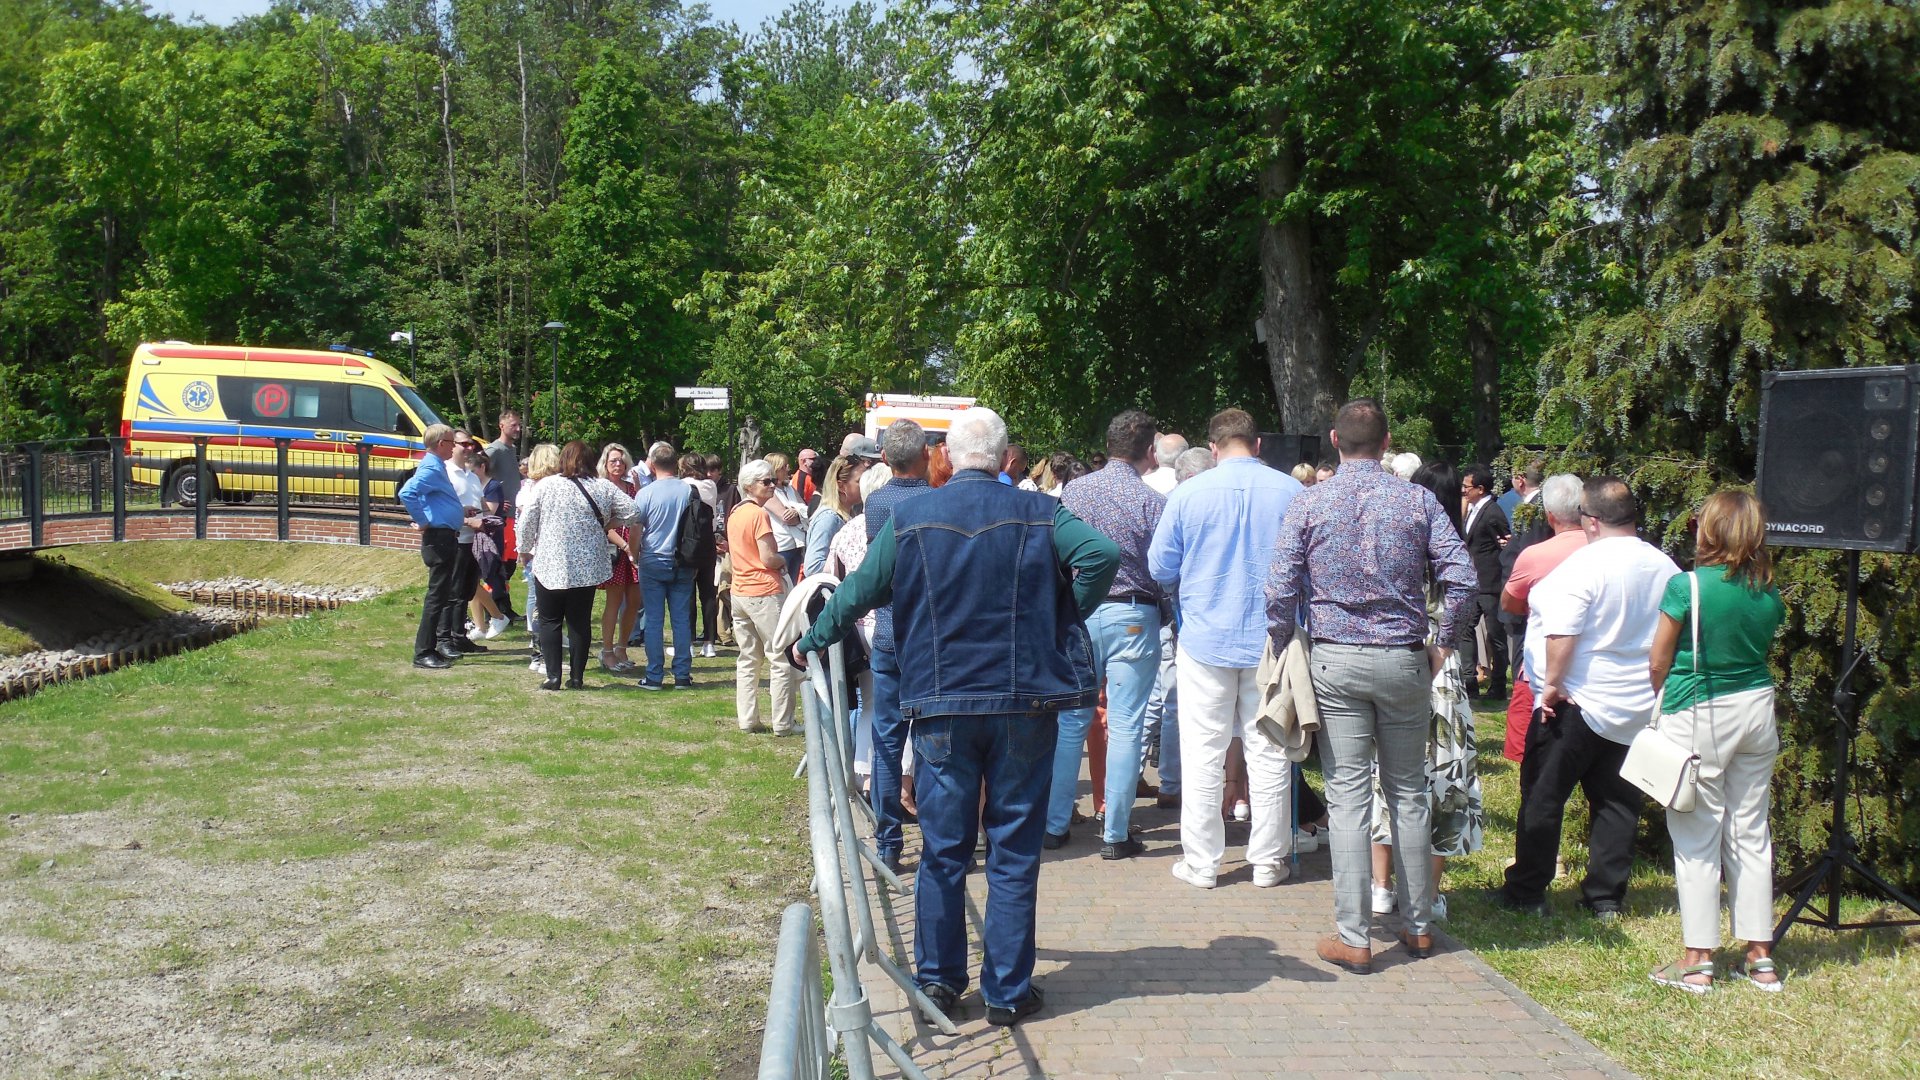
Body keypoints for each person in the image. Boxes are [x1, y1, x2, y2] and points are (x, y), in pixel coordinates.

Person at [792, 406, 1119, 1028]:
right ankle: (1007, 991)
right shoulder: (1042, 512)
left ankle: (938, 983)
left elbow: (858, 589)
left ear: (946, 455)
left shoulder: (913, 515)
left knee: (943, 850)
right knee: (1014, 849)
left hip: (941, 702)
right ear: (1004, 457)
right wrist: (1059, 614)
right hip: (1023, 702)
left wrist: (812, 638)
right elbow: (1101, 555)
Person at [1265, 399, 1474, 974]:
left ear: (1335, 440)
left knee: (1348, 796)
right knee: (1408, 792)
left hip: (1336, 661)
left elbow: (1279, 586)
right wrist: (1444, 644)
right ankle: (1419, 926)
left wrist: (1282, 641)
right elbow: (1461, 577)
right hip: (1404, 660)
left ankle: (1354, 935)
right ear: (1386, 442)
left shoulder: (1311, 502)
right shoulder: (1417, 501)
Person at [1498, 476, 1680, 921]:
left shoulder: (1583, 566)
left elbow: (1561, 632)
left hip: (1576, 700)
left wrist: (1551, 685)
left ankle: (1528, 891)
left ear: (1592, 521)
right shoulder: (1665, 567)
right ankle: (1605, 896)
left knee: (1544, 796)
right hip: (1636, 703)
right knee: (1618, 803)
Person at [1149, 408, 1304, 889]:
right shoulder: (1291, 492)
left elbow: (1160, 567)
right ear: (1257, 445)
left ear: (1213, 448)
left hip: (1204, 639)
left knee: (1202, 753)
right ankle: (1268, 861)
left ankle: (1202, 863)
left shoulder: (1188, 494)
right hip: (1271, 643)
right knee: (1270, 751)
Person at [1647, 490, 1786, 992]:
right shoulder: (1767, 591)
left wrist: (1662, 697)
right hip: (1757, 709)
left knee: (1696, 835)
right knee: (1751, 831)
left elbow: (1658, 661)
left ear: (1708, 529)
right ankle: (1760, 957)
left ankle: (1697, 961)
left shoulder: (1686, 586)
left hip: (1699, 711)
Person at [1367, 462, 1486, 921]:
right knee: (1444, 779)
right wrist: (1447, 642)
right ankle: (1429, 894)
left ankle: (1381, 886)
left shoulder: (1400, 547)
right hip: (1443, 671)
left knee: (1385, 774)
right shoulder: (1452, 552)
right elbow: (1465, 595)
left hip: (1399, 658)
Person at [1046, 410, 1167, 860]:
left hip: (1082, 611)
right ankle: (1115, 831)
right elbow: (1164, 568)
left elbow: (1057, 553)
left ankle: (1055, 823)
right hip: (1134, 613)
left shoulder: (1075, 492)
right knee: (1126, 723)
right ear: (1149, 452)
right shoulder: (1152, 502)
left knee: (1071, 720)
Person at [862, 421, 935, 872]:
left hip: (889, 632)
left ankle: (888, 841)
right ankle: (936, 838)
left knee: (887, 742)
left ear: (886, 458)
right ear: (926, 453)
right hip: (929, 638)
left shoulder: (876, 503)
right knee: (931, 741)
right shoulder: (936, 501)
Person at [518, 440, 643, 690]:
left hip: (550, 562)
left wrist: (524, 548)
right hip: (586, 567)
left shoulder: (547, 485)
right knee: (579, 621)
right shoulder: (602, 486)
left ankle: (553, 676)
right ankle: (577, 677)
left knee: (550, 620)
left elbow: (528, 520)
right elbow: (634, 511)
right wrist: (608, 523)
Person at [1498, 474, 1588, 762]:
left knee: (1532, 757)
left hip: (1544, 661)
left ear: (1549, 515)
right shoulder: (1604, 551)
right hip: (1598, 666)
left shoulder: (1535, 555)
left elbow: (1509, 602)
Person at [398, 424, 482, 669]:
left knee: (442, 595)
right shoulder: (432, 467)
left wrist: (458, 510)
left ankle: (431, 648)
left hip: (445, 537)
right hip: (439, 539)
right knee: (437, 597)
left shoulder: (436, 466)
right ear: (441, 444)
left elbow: (433, 499)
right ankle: (423, 652)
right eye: (451, 442)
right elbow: (407, 493)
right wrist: (423, 521)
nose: (454, 447)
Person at [729, 459, 799, 734]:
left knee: (748, 658)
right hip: (764, 591)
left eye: (774, 480)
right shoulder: (758, 514)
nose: (773, 486)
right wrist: (784, 560)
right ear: (749, 486)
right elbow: (768, 557)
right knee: (780, 657)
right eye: (766, 481)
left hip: (740, 591)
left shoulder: (736, 511)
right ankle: (783, 723)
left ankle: (748, 719)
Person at [631, 442, 697, 690]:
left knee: (654, 620)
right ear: (675, 463)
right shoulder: (688, 490)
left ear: (653, 464)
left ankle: (654, 675)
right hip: (684, 559)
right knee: (681, 619)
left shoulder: (646, 493)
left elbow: (636, 529)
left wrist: (634, 555)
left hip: (653, 559)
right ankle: (682, 674)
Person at [1455, 464, 1511, 699]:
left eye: (1466, 487)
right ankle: (1469, 682)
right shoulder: (1472, 509)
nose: (1463, 491)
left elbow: (1505, 544)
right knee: (1466, 631)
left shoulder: (1492, 512)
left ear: (1480, 489)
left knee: (1495, 635)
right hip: (1473, 583)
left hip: (1490, 584)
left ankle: (1498, 685)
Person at [594, 443, 642, 673]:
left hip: (634, 549)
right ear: (605, 463)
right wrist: (625, 546)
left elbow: (638, 516)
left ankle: (622, 647)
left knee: (634, 600)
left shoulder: (631, 487)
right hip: (614, 550)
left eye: (621, 460)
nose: (618, 464)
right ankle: (607, 650)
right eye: (613, 460)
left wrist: (634, 548)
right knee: (613, 601)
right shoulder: (601, 488)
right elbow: (603, 524)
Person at [804, 440, 882, 574]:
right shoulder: (829, 518)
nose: (864, 484)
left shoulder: (848, 513)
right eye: (859, 481)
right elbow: (812, 567)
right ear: (841, 486)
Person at [519, 443, 560, 675]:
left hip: (538, 552)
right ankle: (540, 656)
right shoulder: (539, 488)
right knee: (541, 606)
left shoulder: (530, 487)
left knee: (539, 603)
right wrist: (524, 550)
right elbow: (525, 523)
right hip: (542, 553)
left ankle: (541, 653)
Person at [484, 410, 524, 622]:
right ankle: (493, 609)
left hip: (513, 515)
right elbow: (477, 474)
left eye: (519, 425)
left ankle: (503, 607)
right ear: (501, 425)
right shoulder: (494, 450)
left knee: (509, 564)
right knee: (500, 564)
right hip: (502, 517)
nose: (518, 429)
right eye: (513, 425)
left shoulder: (511, 449)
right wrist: (494, 500)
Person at [465, 452, 509, 639]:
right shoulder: (475, 484)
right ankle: (480, 626)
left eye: (472, 470)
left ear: (482, 467)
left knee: (475, 581)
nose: (470, 474)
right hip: (474, 535)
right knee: (471, 583)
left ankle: (497, 616)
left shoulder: (492, 486)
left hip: (487, 538)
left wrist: (467, 514)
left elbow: (488, 512)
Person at [681, 452, 721, 658]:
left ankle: (688, 642)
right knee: (708, 594)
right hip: (708, 542)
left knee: (687, 593)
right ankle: (709, 642)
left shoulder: (682, 486)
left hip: (688, 543)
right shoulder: (711, 485)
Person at [762, 452, 810, 581]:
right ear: (775, 469)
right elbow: (786, 518)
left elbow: (807, 511)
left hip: (797, 544)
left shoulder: (789, 488)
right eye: (783, 467)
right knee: (783, 583)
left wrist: (796, 511)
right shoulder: (769, 492)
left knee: (793, 583)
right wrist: (799, 513)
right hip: (781, 546)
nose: (788, 469)